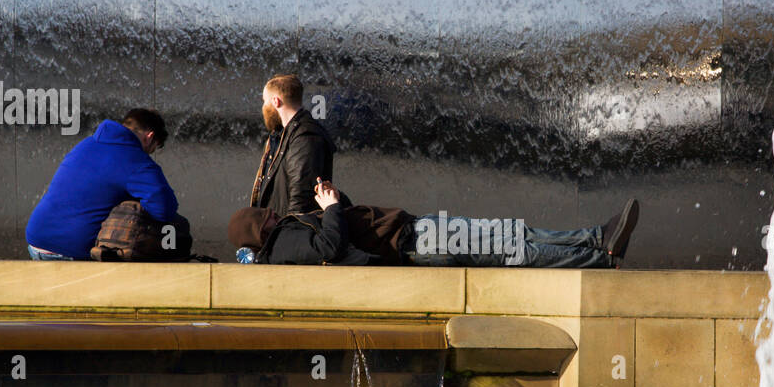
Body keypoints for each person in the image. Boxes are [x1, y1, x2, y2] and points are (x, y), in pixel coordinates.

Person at [227, 181, 639, 269]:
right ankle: (600, 258)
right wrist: (332, 208)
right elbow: (329, 248)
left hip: (416, 229)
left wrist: (335, 199)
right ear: (259, 233)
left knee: (515, 233)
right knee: (514, 249)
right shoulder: (283, 246)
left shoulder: (288, 231)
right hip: (416, 242)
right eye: (266, 218)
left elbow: (345, 225)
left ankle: (596, 238)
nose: (274, 214)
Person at [25, 108, 186, 260]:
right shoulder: (137, 160)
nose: (149, 154)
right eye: (153, 149)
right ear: (150, 137)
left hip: (36, 241)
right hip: (71, 250)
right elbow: (164, 210)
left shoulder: (86, 144)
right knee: (172, 228)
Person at [249, 73, 338, 217]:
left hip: (289, 226)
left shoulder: (305, 137)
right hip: (279, 224)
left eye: (265, 101)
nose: (263, 107)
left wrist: (289, 228)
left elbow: (302, 198)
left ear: (276, 101)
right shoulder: (283, 135)